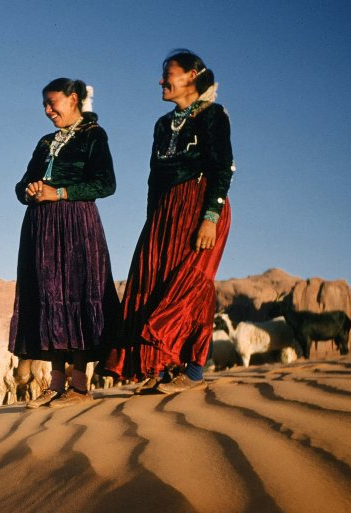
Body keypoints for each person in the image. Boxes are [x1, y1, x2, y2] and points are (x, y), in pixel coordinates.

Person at [102, 49, 234, 394]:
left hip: (200, 203)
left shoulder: (213, 115)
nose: (162, 81)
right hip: (165, 212)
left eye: (169, 74)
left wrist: (210, 217)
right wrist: (152, 223)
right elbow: (153, 178)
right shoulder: (163, 125)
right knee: (155, 282)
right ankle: (162, 366)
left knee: (190, 282)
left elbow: (222, 168)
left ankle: (192, 368)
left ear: (191, 75)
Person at [8, 77, 120, 408]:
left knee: (78, 294)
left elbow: (106, 184)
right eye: (44, 104)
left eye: (52, 102)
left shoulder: (93, 136)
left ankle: (80, 384)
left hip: (76, 223)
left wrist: (59, 193)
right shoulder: (45, 142)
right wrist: (29, 191)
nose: (47, 110)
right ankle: (56, 383)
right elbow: (22, 183)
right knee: (49, 297)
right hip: (41, 227)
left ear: (73, 99)